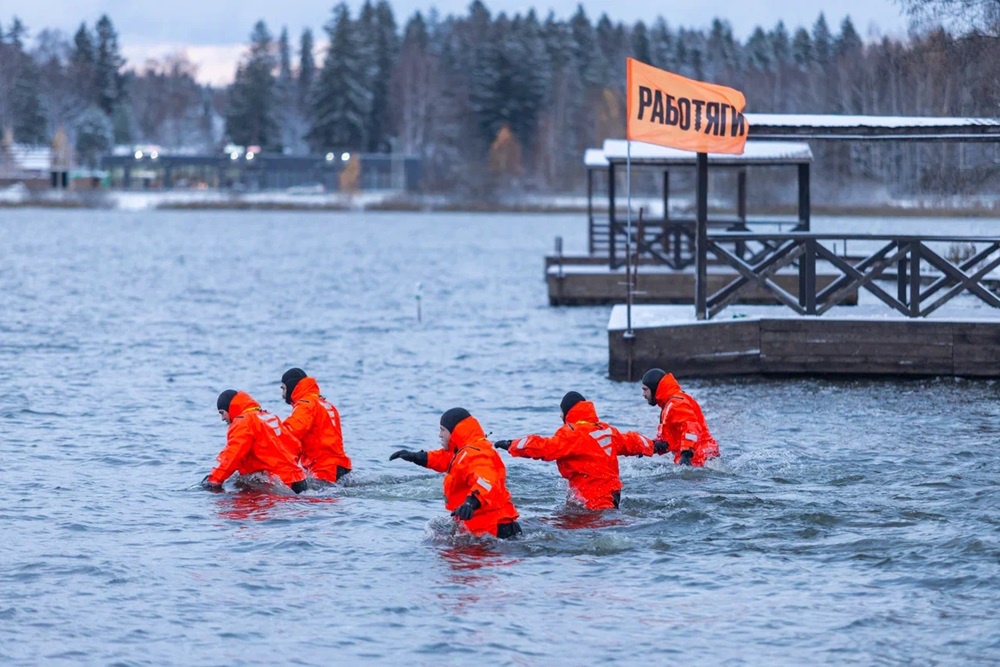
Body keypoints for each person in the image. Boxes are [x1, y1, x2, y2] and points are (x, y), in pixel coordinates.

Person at [493, 391, 654, 510]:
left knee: (575, 526)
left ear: (568, 413)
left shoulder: (572, 434)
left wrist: (512, 444)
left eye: (561, 412)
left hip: (593, 497)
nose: (560, 416)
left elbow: (545, 447)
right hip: (613, 493)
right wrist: (653, 445)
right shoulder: (604, 429)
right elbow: (630, 441)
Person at [389, 408, 522, 539]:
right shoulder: (464, 451)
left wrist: (471, 503)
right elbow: (446, 459)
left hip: (496, 530)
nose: (439, 435)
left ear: (455, 432)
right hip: (485, 528)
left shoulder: (477, 454)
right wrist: (415, 456)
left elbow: (487, 481)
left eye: (442, 430)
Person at [202, 389, 307, 494]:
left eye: (222, 413)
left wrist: (213, 481)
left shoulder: (243, 422)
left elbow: (232, 456)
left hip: (281, 485)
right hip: (299, 480)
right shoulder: (269, 416)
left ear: (230, 408)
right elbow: (294, 445)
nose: (222, 418)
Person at [279, 368, 352, 483]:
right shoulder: (327, 404)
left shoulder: (306, 405)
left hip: (324, 470)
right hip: (341, 466)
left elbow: (289, 434)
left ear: (291, 386)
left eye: (283, 388)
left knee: (308, 499)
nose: (282, 395)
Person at [641, 368, 719, 466]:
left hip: (699, 458)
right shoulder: (670, 404)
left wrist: (686, 454)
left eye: (645, 390)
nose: (643, 394)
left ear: (654, 388)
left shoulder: (676, 403)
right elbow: (668, 441)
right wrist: (647, 447)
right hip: (700, 457)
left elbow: (691, 428)